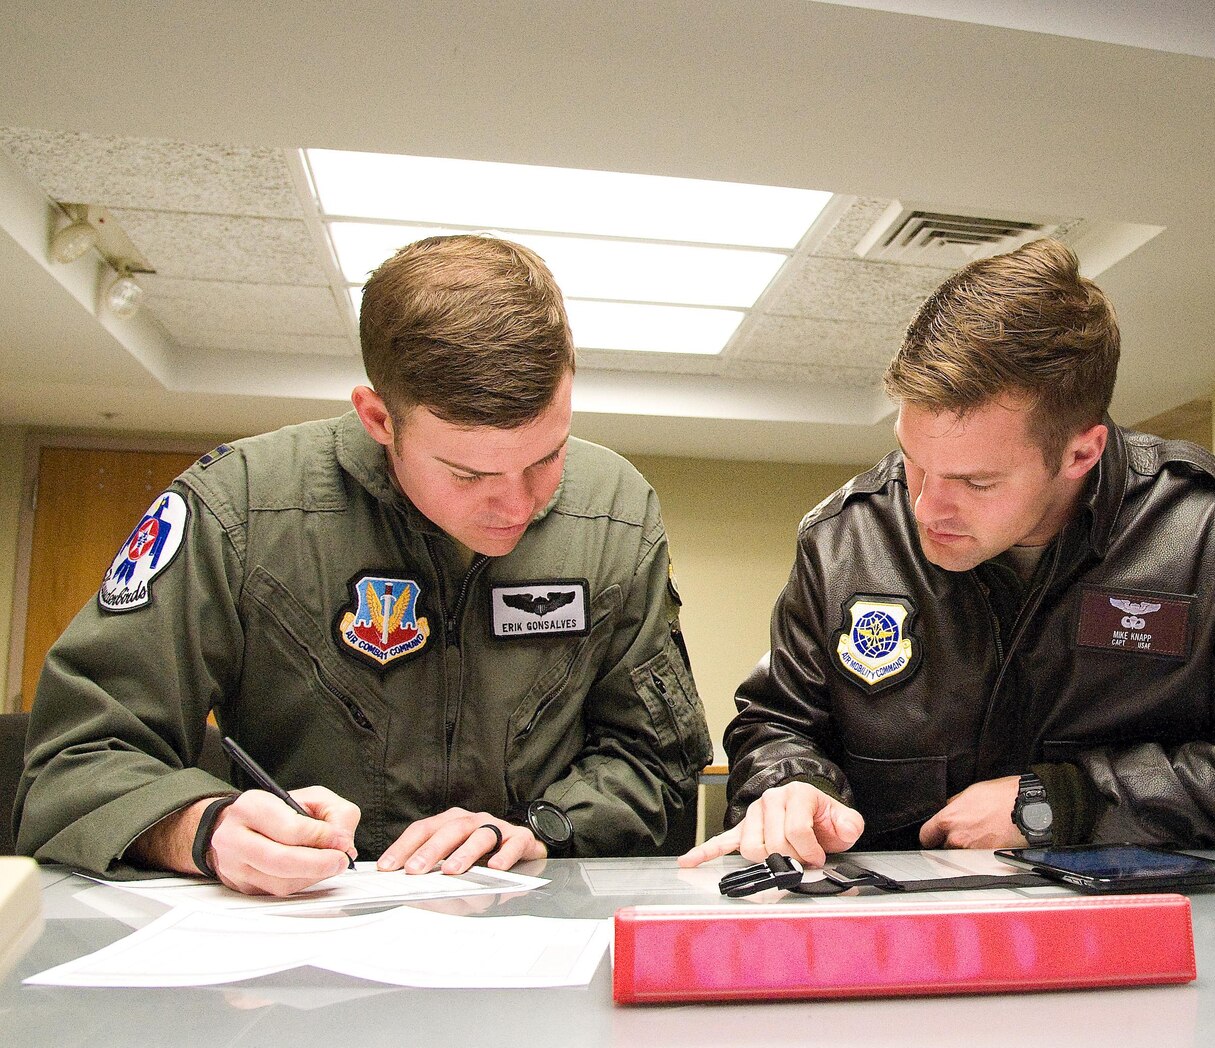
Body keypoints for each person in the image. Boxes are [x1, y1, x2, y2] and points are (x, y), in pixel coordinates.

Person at [15, 235, 710, 896]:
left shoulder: (613, 510)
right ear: (380, 419)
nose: (518, 505)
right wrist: (204, 827)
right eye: (469, 474)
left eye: (546, 457)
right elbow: (78, 760)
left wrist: (541, 831)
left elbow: (657, 764)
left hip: (532, 923)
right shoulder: (242, 508)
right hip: (296, 941)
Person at [682, 238, 1215, 867]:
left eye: (975, 482)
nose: (925, 507)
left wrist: (1059, 803)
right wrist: (790, 786)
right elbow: (779, 724)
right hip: (898, 935)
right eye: (913, 462)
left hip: (1133, 928)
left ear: (1081, 452)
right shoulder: (843, 542)